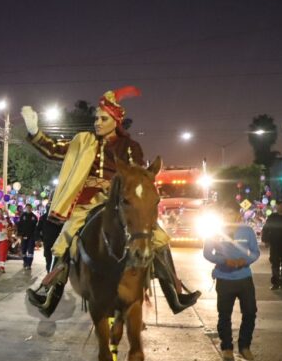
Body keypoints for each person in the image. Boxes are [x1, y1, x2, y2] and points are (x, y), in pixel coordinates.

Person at [21, 88, 200, 317]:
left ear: (116, 121)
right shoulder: (83, 142)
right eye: (96, 118)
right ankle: (48, 295)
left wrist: (115, 185)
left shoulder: (131, 147)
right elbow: (55, 151)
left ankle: (176, 295)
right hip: (89, 202)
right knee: (65, 239)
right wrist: (34, 131)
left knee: (159, 239)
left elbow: (137, 176)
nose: (97, 122)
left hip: (120, 201)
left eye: (103, 118)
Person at [203, 206, 261, 361]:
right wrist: (223, 261)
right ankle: (227, 346)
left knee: (250, 312)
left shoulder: (247, 231)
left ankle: (244, 346)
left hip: (244, 278)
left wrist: (246, 260)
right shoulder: (215, 232)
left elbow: (256, 252)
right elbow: (207, 253)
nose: (229, 217)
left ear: (237, 215)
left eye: (232, 214)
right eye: (226, 214)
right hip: (224, 279)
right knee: (224, 314)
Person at [16, 203, 39, 269]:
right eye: (27, 208)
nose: (28, 209)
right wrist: (19, 235)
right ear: (25, 208)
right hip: (23, 236)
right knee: (23, 250)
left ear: (31, 208)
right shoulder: (22, 216)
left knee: (30, 251)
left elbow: (36, 228)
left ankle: (29, 264)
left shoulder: (34, 217)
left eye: (29, 208)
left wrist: (37, 238)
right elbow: (19, 226)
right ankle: (25, 262)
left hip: (31, 237)